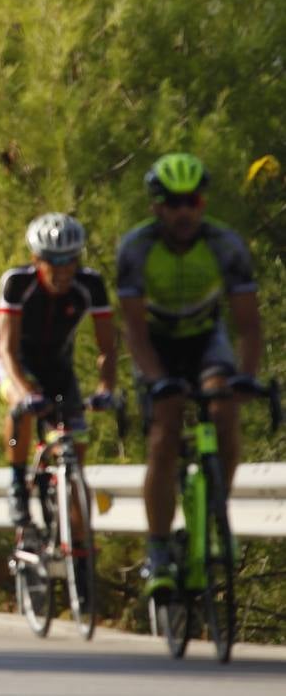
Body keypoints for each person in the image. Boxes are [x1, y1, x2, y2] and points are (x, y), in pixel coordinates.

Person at [116, 153, 264, 596]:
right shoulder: (136, 248)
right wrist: (158, 381)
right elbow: (135, 331)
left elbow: (249, 326)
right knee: (163, 432)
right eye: (173, 202)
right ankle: (158, 548)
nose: (184, 212)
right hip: (156, 344)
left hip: (205, 339)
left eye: (193, 201)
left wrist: (245, 378)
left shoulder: (225, 245)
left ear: (202, 203)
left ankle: (216, 513)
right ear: (156, 206)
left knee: (224, 412)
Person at [0, 214, 117, 543]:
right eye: (53, 262)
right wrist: (23, 393)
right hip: (13, 362)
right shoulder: (17, 282)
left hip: (58, 367)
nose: (62, 271)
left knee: (76, 447)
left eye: (70, 262)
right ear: (36, 259)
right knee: (22, 406)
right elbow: (6, 349)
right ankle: (18, 481)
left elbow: (108, 347)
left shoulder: (90, 285)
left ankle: (79, 546)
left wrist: (106, 387)